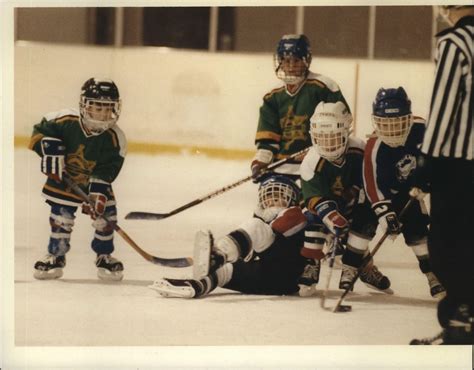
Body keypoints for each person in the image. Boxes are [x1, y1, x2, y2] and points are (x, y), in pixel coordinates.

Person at [410, 6, 473, 345]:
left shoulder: (455, 42)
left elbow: (443, 107)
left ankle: (462, 321)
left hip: (459, 165)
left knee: (446, 245)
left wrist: (426, 160)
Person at [29, 77, 127, 281]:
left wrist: (98, 192)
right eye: (97, 108)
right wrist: (47, 147)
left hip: (94, 182)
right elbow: (40, 131)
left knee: (106, 218)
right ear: (85, 106)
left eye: (108, 109)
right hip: (65, 181)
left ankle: (104, 256)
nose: (103, 114)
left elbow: (108, 168)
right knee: (61, 218)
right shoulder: (64, 120)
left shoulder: (115, 138)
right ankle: (56, 256)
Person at [151, 175, 310, 298]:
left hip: (285, 276)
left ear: (293, 199)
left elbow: (277, 227)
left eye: (279, 196)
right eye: (268, 197)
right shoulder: (262, 222)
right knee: (224, 272)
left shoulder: (296, 215)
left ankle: (218, 256)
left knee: (255, 227)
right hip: (265, 279)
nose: (272, 201)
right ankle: (196, 286)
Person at [299, 101, 392, 296]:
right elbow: (314, 198)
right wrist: (332, 218)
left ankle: (362, 267)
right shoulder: (311, 161)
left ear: (346, 132)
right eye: (322, 137)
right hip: (324, 210)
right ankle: (312, 263)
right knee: (312, 219)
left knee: (365, 220)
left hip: (350, 206)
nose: (328, 143)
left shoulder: (359, 149)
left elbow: (370, 181)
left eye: (333, 137)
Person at [363, 87, 445, 300]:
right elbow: (372, 184)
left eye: (397, 122)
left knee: (418, 231)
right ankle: (356, 267)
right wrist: (384, 211)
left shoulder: (423, 129)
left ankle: (432, 274)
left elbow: (439, 160)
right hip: (385, 195)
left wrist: (427, 183)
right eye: (385, 123)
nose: (391, 130)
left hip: (412, 192)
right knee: (361, 223)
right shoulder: (374, 144)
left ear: (408, 117)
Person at [251, 34, 350, 182]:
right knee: (273, 201)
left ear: (306, 61)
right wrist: (259, 163)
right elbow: (267, 142)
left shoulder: (323, 87)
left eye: (296, 61)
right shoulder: (272, 97)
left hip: (317, 165)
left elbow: (344, 123)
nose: (290, 66)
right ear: (280, 62)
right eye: (286, 61)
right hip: (281, 170)